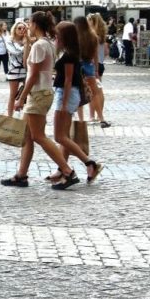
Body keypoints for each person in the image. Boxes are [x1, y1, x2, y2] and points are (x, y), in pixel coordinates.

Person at [3, 11, 72, 188]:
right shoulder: (47, 43)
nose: (28, 26)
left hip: (38, 94)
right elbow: (28, 64)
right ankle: (21, 175)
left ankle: (67, 171)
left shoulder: (40, 45)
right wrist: (27, 43)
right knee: (26, 136)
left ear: (35, 25)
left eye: (30, 23)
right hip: (42, 92)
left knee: (39, 136)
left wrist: (21, 98)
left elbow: (32, 75)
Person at [40, 21, 98, 187]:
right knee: (63, 136)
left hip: (66, 94)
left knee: (60, 136)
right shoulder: (69, 52)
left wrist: (64, 104)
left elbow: (68, 80)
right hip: (66, 93)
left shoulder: (70, 54)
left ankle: (88, 163)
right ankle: (63, 169)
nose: (55, 36)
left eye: (58, 34)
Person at [86, 12, 110, 127]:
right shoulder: (101, 35)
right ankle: (98, 114)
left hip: (93, 65)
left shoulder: (91, 35)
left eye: (88, 20)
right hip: (100, 64)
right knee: (99, 91)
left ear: (92, 22)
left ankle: (93, 116)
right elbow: (106, 52)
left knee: (93, 92)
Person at [3, 21, 29, 117]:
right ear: (14, 29)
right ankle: (9, 116)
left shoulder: (28, 40)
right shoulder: (9, 40)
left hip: (26, 69)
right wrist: (26, 45)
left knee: (26, 94)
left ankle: (19, 112)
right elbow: (15, 51)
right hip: (14, 69)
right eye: (19, 28)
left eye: (24, 28)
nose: (22, 30)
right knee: (13, 94)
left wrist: (27, 43)